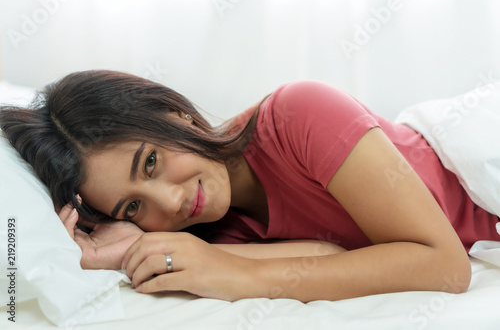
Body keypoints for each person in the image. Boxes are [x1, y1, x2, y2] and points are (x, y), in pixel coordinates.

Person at [1, 70, 499, 302]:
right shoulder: (214, 231)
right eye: (133, 207)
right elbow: (328, 257)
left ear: (171, 113)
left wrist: (241, 277)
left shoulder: (300, 113)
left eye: (150, 162)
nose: (172, 203)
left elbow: (445, 266)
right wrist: (134, 249)